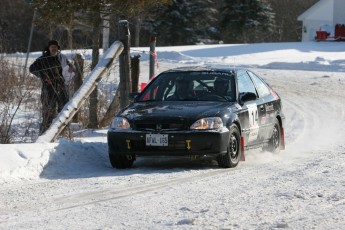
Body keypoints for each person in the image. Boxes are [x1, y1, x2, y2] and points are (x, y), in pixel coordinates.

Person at [29, 40, 74, 134]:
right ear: (48, 48)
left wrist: (70, 68)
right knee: (49, 111)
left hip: (62, 86)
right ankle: (45, 133)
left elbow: (71, 66)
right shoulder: (42, 59)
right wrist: (44, 78)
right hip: (48, 87)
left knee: (64, 109)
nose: (54, 49)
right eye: (52, 47)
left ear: (58, 48)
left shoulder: (62, 57)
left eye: (55, 47)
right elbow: (32, 69)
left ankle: (63, 132)